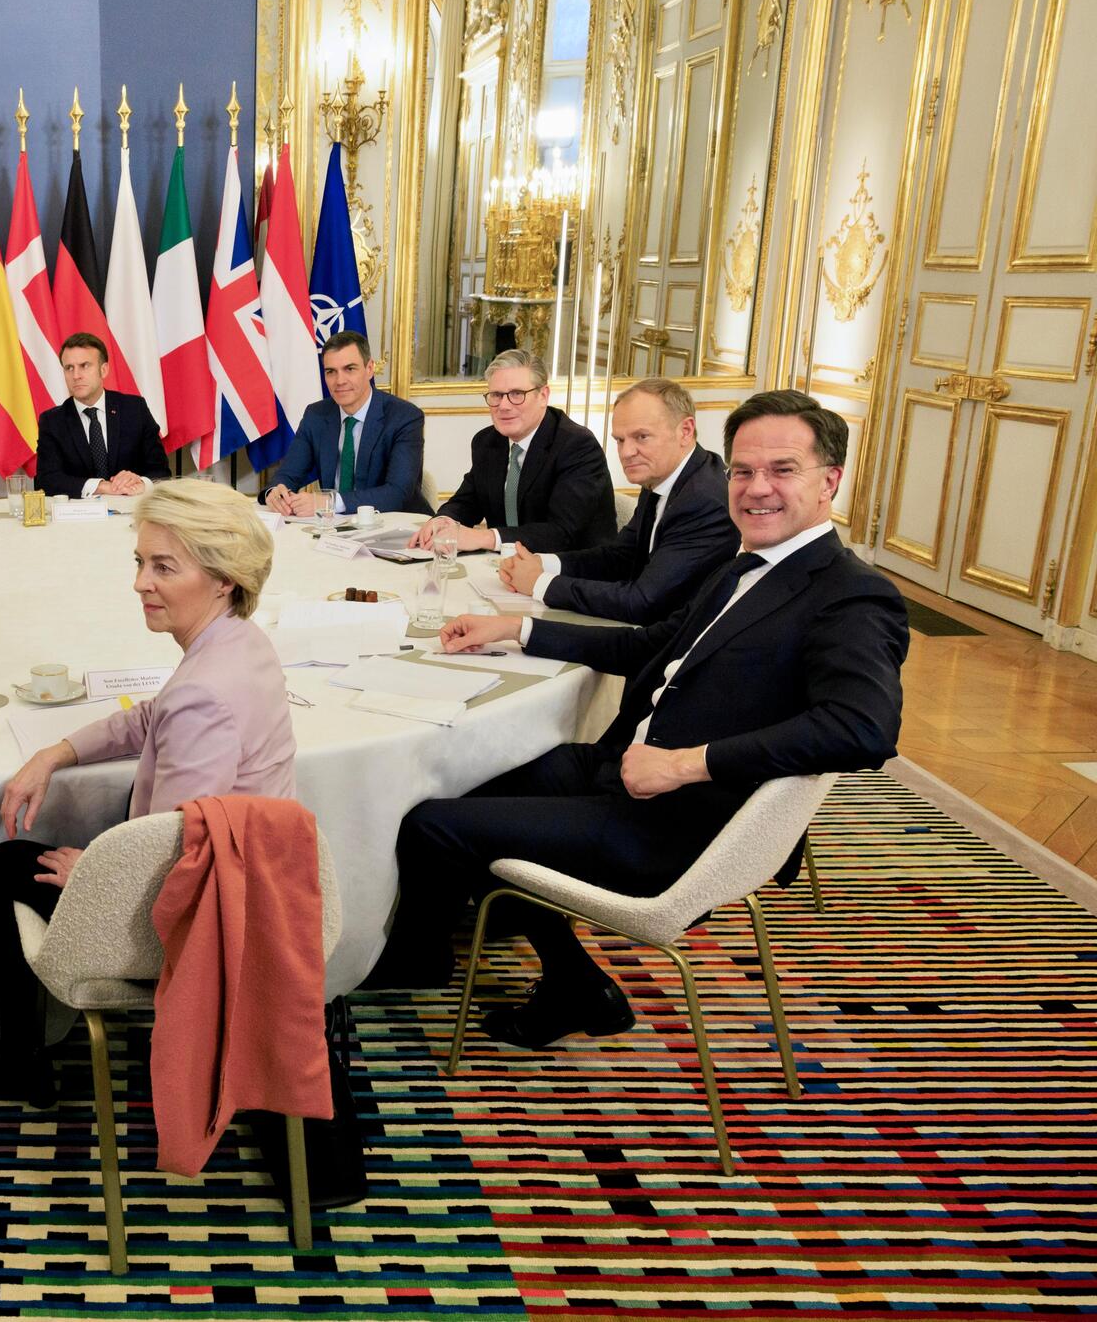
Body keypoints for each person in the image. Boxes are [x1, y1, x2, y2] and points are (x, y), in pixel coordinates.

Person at [382, 390, 908, 1048]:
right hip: (624, 768)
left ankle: (419, 961)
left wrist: (687, 763)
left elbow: (862, 729)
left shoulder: (851, 594)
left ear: (830, 479)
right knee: (467, 782)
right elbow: (645, 648)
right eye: (743, 471)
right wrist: (517, 630)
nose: (755, 489)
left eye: (781, 469)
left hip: (678, 819)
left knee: (433, 825)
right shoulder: (747, 565)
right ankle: (569, 979)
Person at [0, 479, 296, 1105]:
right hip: (253, 878)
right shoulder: (239, 642)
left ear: (223, 577)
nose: (140, 582)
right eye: (140, 562)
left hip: (199, 916)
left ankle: (20, 1057)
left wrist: (94, 874)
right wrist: (58, 751)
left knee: (3, 865)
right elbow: (152, 720)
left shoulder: (204, 691)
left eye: (163, 567)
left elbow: (176, 850)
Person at [495, 377, 739, 623]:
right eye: (620, 440)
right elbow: (621, 557)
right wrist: (543, 562)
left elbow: (642, 602)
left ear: (685, 431)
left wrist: (540, 583)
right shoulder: (662, 474)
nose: (626, 452)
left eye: (641, 437)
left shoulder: (704, 500)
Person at [412, 348, 614, 552]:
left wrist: (485, 538)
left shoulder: (577, 446)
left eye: (517, 394)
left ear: (543, 395)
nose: (504, 405)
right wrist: (443, 520)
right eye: (496, 395)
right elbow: (468, 501)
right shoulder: (487, 441)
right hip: (503, 567)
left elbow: (561, 534)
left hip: (570, 573)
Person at [262, 331, 428, 516]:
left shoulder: (404, 417)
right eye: (331, 372)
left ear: (369, 369)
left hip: (393, 528)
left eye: (350, 369)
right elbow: (289, 473)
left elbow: (398, 494)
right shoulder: (316, 415)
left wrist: (330, 502)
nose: (339, 381)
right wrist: (275, 492)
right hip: (334, 530)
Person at [33, 333, 171, 499]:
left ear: (103, 370)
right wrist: (102, 486)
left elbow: (161, 472)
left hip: (131, 511)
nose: (76, 375)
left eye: (84, 366)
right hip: (78, 518)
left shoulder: (134, 409)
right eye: (69, 368)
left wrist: (140, 482)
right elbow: (46, 480)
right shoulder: (52, 421)